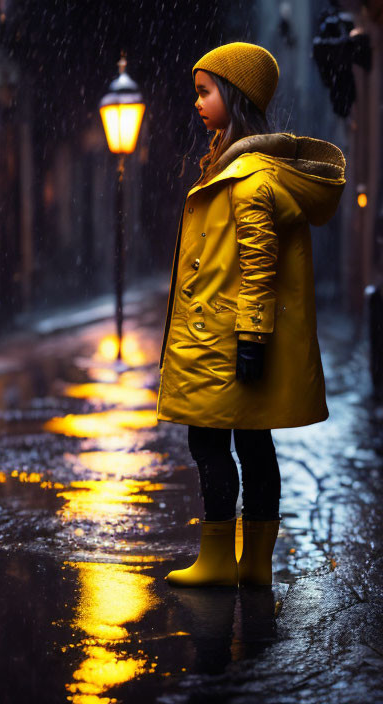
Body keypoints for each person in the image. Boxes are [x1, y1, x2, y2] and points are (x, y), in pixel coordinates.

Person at [156, 42, 346, 588]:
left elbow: (258, 266)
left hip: (225, 340)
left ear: (234, 98)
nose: (197, 102)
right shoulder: (232, 167)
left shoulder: (250, 177)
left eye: (205, 91)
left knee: (214, 444)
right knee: (249, 443)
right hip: (221, 336)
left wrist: (251, 340)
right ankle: (250, 564)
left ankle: (225, 560)